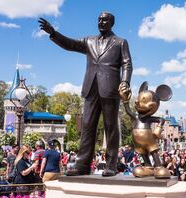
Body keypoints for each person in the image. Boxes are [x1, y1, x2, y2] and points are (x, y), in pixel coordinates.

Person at [39, 11, 133, 177]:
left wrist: (125, 82)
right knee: (88, 126)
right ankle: (82, 164)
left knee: (111, 128)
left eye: (104, 20)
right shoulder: (89, 40)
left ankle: (111, 165)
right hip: (91, 88)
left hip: (111, 89)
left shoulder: (120, 42)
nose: (100, 22)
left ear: (111, 23)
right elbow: (70, 44)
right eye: (99, 19)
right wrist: (53, 33)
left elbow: (127, 64)